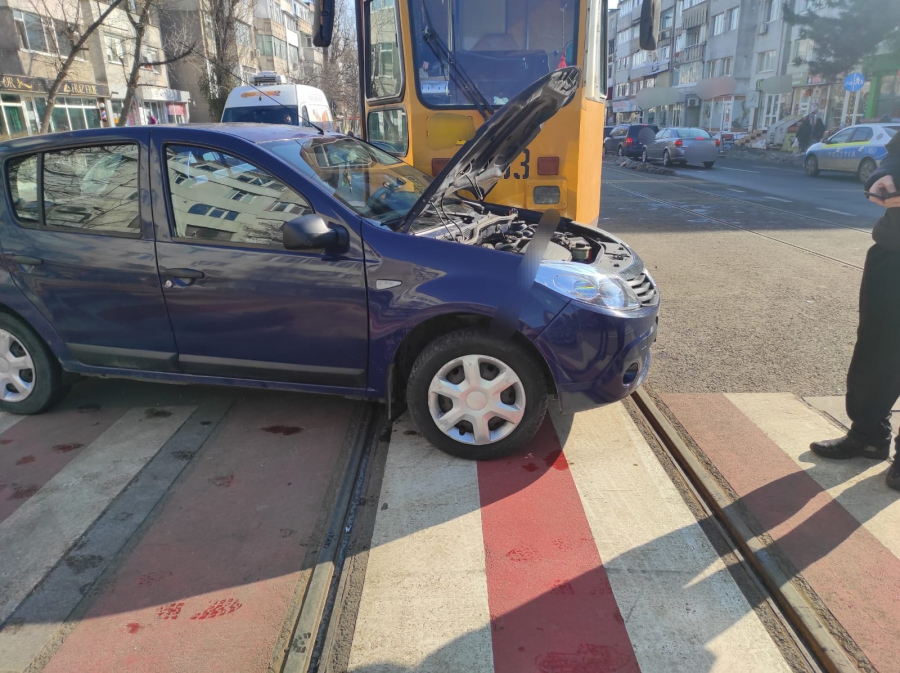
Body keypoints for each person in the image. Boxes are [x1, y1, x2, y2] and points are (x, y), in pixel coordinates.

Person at [811, 131, 900, 490]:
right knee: (876, 350)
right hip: (894, 252)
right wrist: (886, 175)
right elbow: (894, 154)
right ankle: (867, 434)